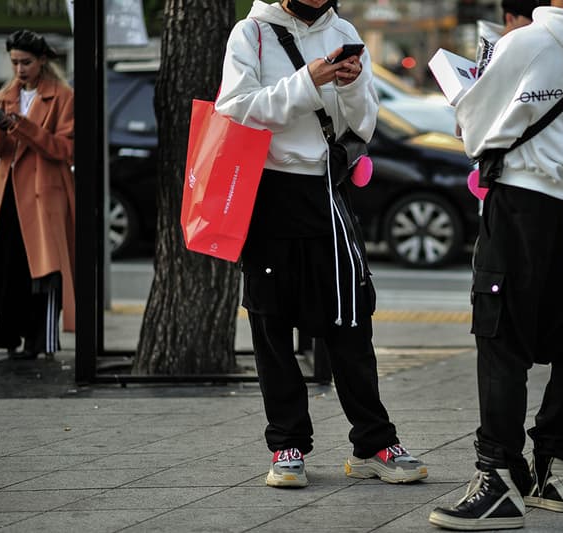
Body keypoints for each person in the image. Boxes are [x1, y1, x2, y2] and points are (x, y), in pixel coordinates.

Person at [429, 1, 563, 529]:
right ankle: (556, 470)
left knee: (501, 341)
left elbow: (474, 127)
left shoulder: (525, 42)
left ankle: (498, 479)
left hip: (522, 204)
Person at [214, 0, 427, 488]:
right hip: (267, 190)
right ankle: (286, 444)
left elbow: (363, 125)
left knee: (351, 322)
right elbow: (236, 108)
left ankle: (375, 441)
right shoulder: (252, 33)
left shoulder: (345, 31)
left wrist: (350, 85)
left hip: (327, 191)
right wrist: (308, 82)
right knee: (272, 327)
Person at [0, 30, 75, 361]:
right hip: (10, 192)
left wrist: (20, 126)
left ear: (42, 61)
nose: (19, 70)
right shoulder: (5, 97)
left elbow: (65, 149)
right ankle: (7, 334)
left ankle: (38, 340)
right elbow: (1, 151)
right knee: (6, 265)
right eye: (14, 62)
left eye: (26, 62)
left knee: (43, 270)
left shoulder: (62, 97)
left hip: (44, 194)